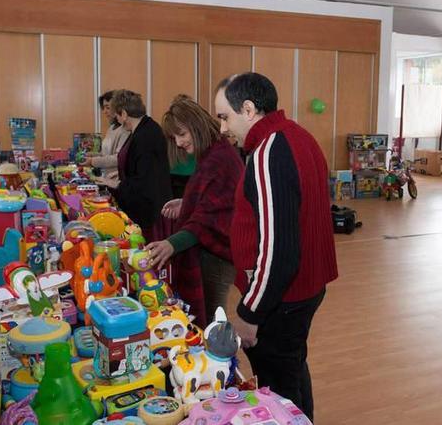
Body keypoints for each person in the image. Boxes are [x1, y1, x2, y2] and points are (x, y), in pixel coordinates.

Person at [214, 72, 338, 420]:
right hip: (302, 289)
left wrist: (250, 313)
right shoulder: (295, 135)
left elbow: (278, 249)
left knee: (278, 386)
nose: (223, 128)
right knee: (292, 369)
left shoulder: (269, 151)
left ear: (249, 109)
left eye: (225, 116)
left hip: (281, 297)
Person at [145, 95, 244, 326]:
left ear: (196, 125)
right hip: (212, 253)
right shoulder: (213, 152)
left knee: (211, 321)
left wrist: (171, 244)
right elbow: (210, 201)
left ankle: (218, 361)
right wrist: (186, 202)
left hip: (218, 256)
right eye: (174, 137)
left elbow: (209, 217)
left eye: (182, 134)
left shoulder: (217, 158)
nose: (178, 143)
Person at [111, 90, 172, 233]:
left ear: (124, 114)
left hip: (148, 210)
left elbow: (145, 179)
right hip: (145, 205)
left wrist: (118, 184)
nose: (118, 122)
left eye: (118, 116)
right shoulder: (142, 129)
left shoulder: (145, 135)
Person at [82, 90, 131, 190]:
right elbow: (105, 154)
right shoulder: (112, 128)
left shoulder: (125, 130)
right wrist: (90, 155)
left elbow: (117, 158)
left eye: (108, 107)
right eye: (103, 108)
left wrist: (92, 161)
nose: (105, 111)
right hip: (107, 180)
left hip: (117, 181)